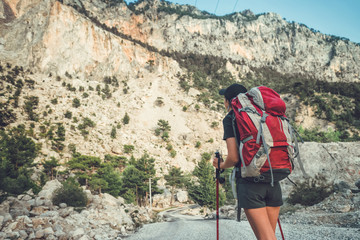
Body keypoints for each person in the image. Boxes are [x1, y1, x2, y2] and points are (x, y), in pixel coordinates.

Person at [213, 83, 282, 240]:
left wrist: (220, 165)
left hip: (251, 184)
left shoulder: (230, 118)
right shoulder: (262, 114)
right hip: (273, 179)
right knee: (269, 236)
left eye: (224, 100)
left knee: (266, 238)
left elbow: (234, 158)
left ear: (229, 102)